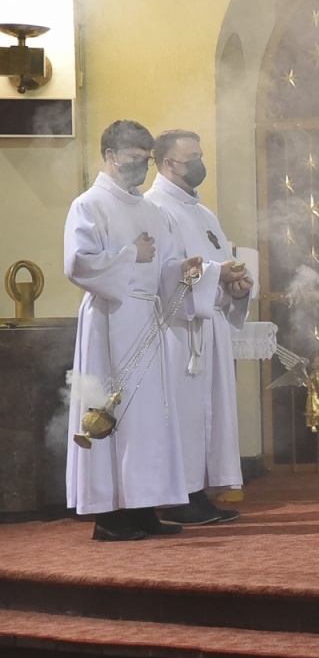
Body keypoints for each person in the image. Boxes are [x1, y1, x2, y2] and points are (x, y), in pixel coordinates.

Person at [64, 120, 212, 541]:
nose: (141, 169)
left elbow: (160, 267)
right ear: (110, 156)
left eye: (145, 161)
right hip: (110, 321)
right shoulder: (88, 205)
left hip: (148, 320)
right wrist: (132, 254)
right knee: (116, 414)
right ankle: (110, 517)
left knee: (150, 419)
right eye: (132, 160)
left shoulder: (149, 209)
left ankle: (144, 507)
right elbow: (78, 264)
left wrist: (178, 269)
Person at [147, 129, 251, 525]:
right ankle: (179, 496)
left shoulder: (204, 213)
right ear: (169, 163)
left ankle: (199, 491)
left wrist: (237, 287)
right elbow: (164, 274)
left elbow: (216, 265)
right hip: (179, 330)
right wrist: (214, 274)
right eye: (192, 156)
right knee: (185, 413)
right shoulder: (156, 208)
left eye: (201, 154)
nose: (199, 163)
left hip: (210, 326)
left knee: (209, 411)